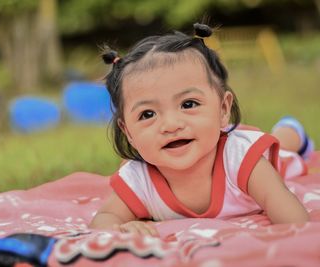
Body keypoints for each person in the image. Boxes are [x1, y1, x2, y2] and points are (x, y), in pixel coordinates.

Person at [89, 23, 313, 236]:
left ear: (223, 108)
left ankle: (291, 130)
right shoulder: (140, 179)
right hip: (208, 136)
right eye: (148, 114)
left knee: (282, 148)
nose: (171, 125)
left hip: (239, 149)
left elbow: (295, 223)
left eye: (188, 104)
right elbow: (105, 218)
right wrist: (120, 230)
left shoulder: (243, 160)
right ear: (128, 131)